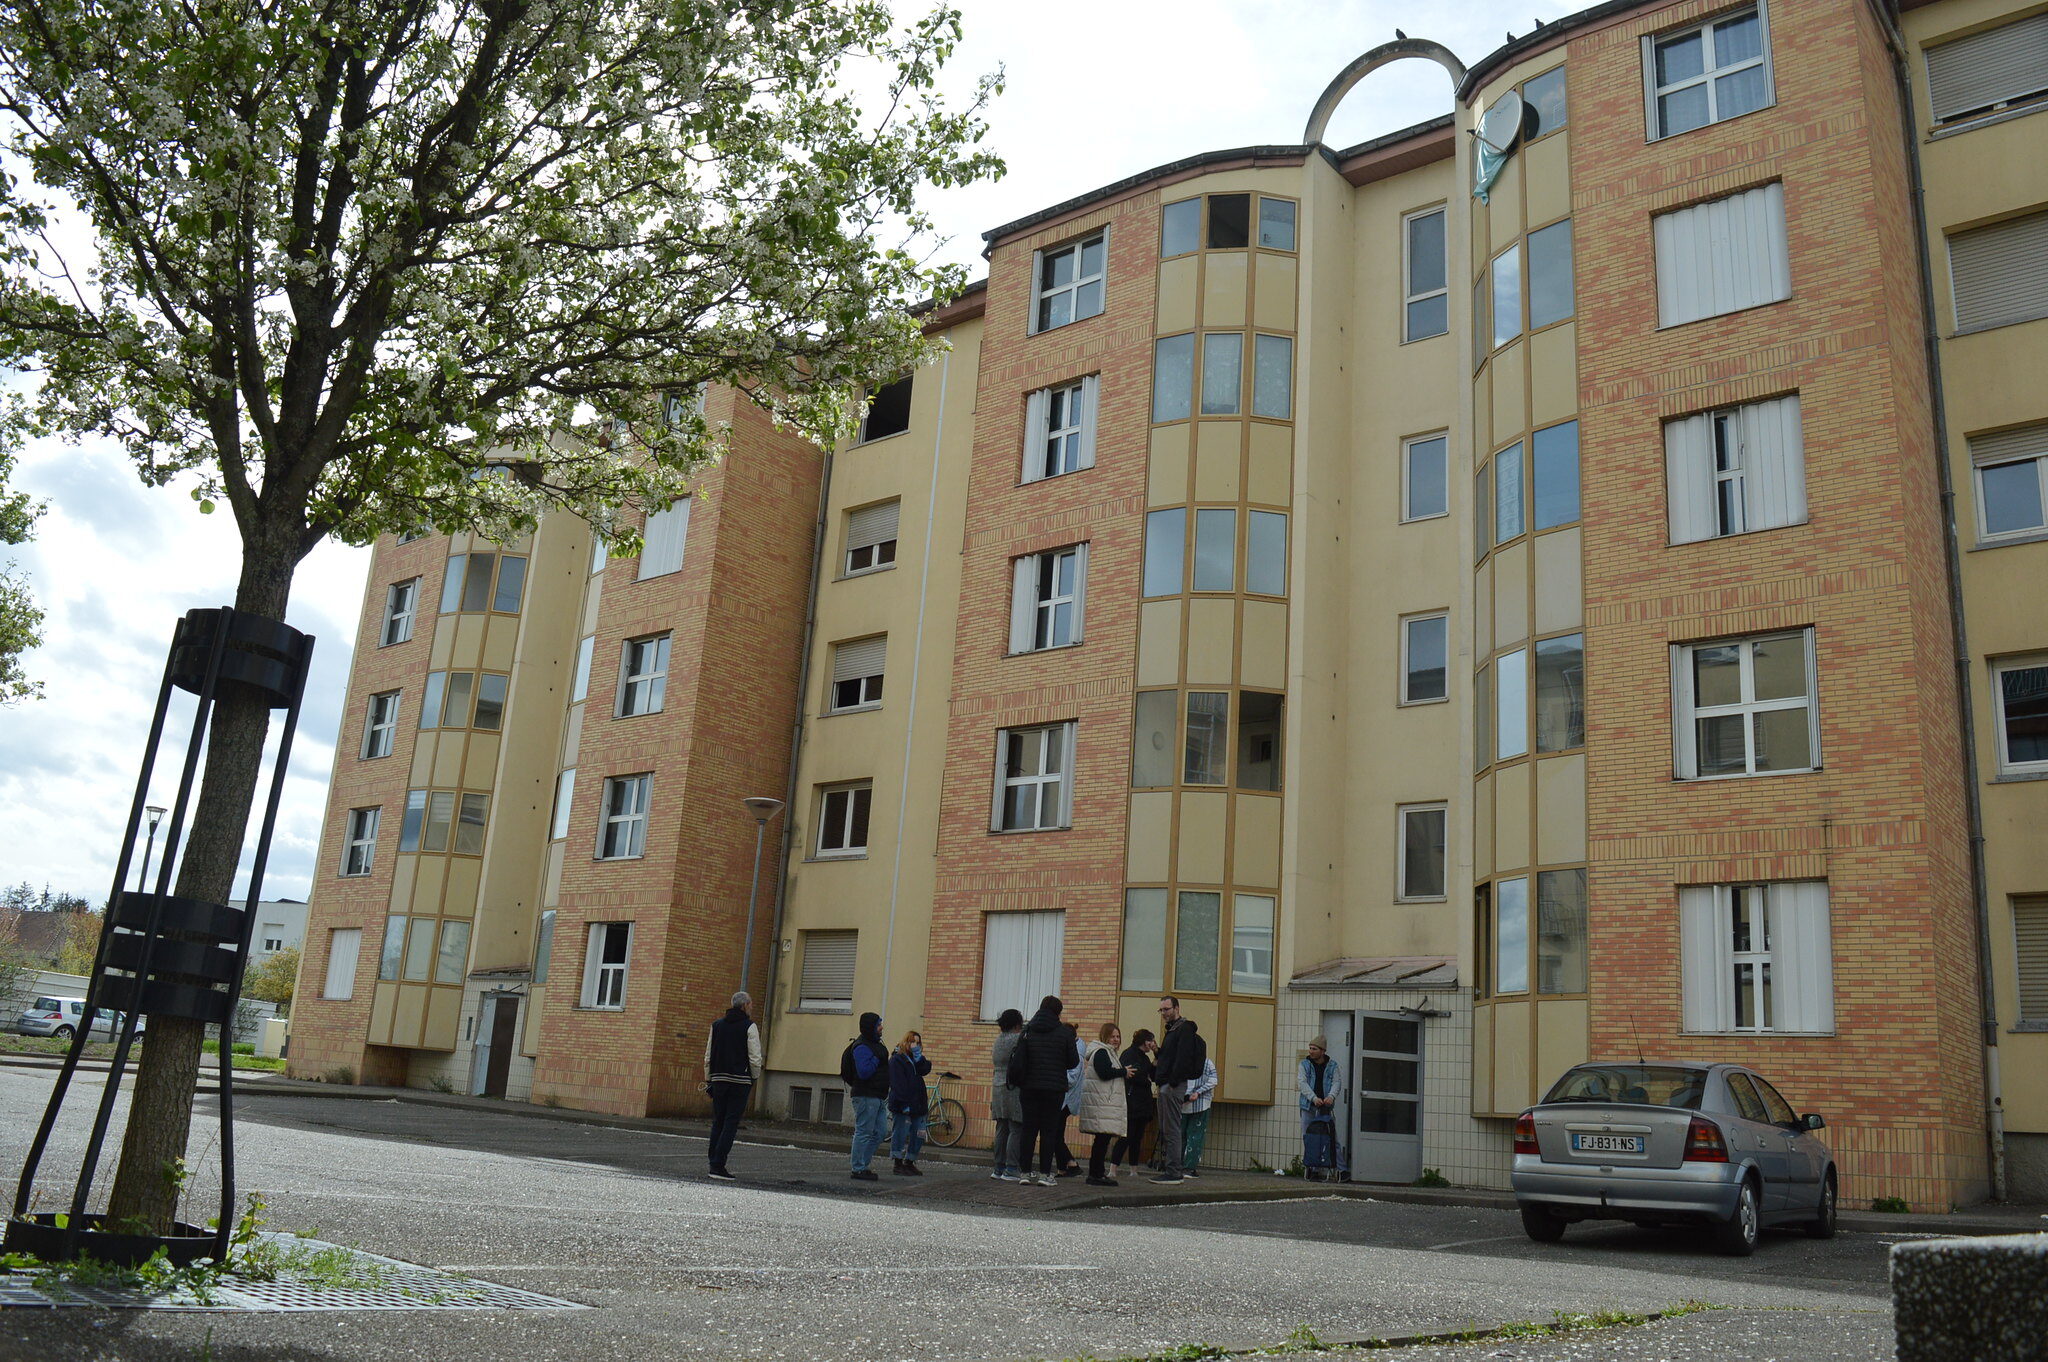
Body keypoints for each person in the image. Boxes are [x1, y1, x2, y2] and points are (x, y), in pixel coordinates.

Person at [1011, 995, 1073, 1185]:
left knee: (1028, 1130)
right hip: (1054, 1089)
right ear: (1058, 1012)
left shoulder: (1028, 1031)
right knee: (1049, 1131)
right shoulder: (1064, 1033)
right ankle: (1045, 1174)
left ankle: (1024, 1173)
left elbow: (1019, 1057)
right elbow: (1073, 1062)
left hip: (1029, 1087)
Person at [701, 990, 761, 1181]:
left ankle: (713, 1161)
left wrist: (708, 1078)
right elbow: (754, 1057)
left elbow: (708, 1055)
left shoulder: (716, 1025)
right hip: (739, 1081)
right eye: (750, 1003)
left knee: (718, 1121)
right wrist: (754, 1077)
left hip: (718, 1079)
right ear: (744, 1006)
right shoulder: (749, 1027)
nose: (752, 1006)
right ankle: (719, 1164)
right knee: (731, 1122)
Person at [1149, 996, 1205, 1184]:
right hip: (1168, 1084)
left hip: (1172, 1085)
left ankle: (1173, 1171)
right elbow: (1171, 1057)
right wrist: (1157, 1051)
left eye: (1167, 1009)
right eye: (1161, 1010)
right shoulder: (1173, 1030)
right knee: (1168, 1128)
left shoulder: (1184, 1029)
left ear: (1176, 1008)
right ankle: (1172, 1169)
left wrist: (1172, 1082)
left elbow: (1183, 1057)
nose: (1164, 1013)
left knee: (1171, 1128)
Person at [839, 1011, 890, 1182]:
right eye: (878, 1024)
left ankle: (863, 1165)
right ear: (871, 1027)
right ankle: (858, 1168)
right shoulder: (862, 1047)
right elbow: (864, 1072)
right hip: (865, 1095)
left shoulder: (875, 1044)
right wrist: (877, 1058)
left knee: (880, 1132)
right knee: (864, 1131)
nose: (881, 1027)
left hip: (878, 1095)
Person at [1079, 1022, 1130, 1187]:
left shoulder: (1107, 1052)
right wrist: (1124, 1072)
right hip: (1102, 1103)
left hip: (1104, 1103)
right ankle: (1095, 1174)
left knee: (1102, 1140)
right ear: (1105, 1036)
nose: (1116, 1040)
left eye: (1118, 1036)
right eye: (1112, 1036)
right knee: (1102, 1140)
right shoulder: (1102, 1052)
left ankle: (1097, 1172)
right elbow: (1104, 1073)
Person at [1109, 1028, 1156, 1178]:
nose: (1153, 1044)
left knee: (1137, 1137)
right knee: (1126, 1136)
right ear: (1145, 1041)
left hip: (1142, 1103)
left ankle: (1133, 1169)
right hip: (1131, 1101)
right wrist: (1146, 1078)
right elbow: (1132, 1075)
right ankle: (1113, 1169)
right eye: (1151, 1041)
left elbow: (1151, 1075)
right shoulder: (1130, 1054)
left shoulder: (1144, 1057)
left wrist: (1154, 1063)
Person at [1299, 1036, 1346, 1181]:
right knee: (1309, 1138)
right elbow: (1302, 1083)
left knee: (1332, 1138)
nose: (1311, 1051)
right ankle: (1312, 1168)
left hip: (1325, 1107)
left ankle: (1341, 1169)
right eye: (1310, 1048)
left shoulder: (1332, 1066)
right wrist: (1313, 1098)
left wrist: (1331, 1096)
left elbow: (1336, 1082)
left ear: (1323, 1051)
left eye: (1314, 1049)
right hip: (1309, 1106)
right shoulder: (1305, 1064)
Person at [887, 1030, 933, 1176]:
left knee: (919, 1133)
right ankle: (898, 1162)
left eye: (918, 1042)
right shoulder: (897, 1059)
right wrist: (904, 1103)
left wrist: (919, 1059)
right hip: (903, 1104)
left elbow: (925, 1069)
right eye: (913, 1042)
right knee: (900, 1132)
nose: (916, 1045)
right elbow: (897, 1084)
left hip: (918, 1103)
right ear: (906, 1042)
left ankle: (910, 1161)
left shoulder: (916, 1060)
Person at [989, 1008, 1025, 1182]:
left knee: (1001, 1128)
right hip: (1013, 1086)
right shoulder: (1017, 1039)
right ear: (1017, 1024)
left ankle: (998, 1167)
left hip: (997, 1085)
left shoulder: (997, 1040)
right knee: (1015, 1128)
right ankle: (1011, 1168)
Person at [1180, 1054, 1218, 1178]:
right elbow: (1213, 1080)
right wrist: (1199, 1091)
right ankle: (1189, 1167)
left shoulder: (1180, 1059)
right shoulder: (1206, 1062)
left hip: (1182, 1102)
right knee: (1195, 1136)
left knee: (1180, 1135)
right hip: (1201, 1103)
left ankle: (1177, 1165)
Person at [1056, 1022, 1084, 1176]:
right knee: (1057, 1133)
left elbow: (1072, 1077)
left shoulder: (1076, 1051)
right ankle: (1063, 1167)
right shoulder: (1077, 1047)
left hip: (1066, 1098)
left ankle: (1071, 1163)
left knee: (1054, 1133)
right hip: (1066, 1097)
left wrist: (1054, 1076)